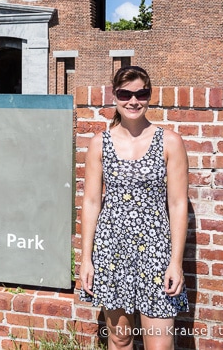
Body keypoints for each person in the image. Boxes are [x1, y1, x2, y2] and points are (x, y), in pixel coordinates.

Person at [80, 65, 189, 350]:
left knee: (160, 343)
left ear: (149, 96)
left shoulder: (170, 142)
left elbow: (178, 205)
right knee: (119, 338)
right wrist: (86, 259)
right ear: (114, 96)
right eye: (125, 93)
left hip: (155, 251)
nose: (133, 100)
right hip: (111, 249)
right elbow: (91, 203)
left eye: (141, 93)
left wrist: (175, 262)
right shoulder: (99, 144)